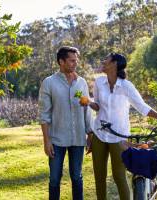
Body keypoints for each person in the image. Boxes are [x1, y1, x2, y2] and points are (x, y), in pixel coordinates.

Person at [82, 53, 157, 200]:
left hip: (119, 137)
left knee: (119, 176)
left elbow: (142, 107)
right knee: (99, 177)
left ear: (115, 64)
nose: (103, 61)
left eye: (107, 59)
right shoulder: (99, 82)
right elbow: (98, 106)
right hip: (99, 133)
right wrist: (89, 103)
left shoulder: (126, 86)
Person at [38, 46, 93, 200]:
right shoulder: (49, 83)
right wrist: (46, 141)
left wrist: (90, 133)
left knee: (77, 176)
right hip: (56, 139)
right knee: (55, 178)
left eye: (76, 60)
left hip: (77, 140)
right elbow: (44, 114)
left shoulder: (81, 83)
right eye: (72, 61)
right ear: (61, 61)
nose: (75, 64)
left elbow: (86, 109)